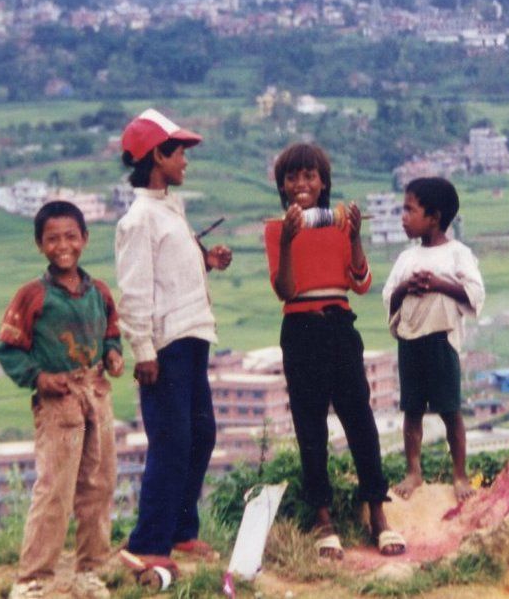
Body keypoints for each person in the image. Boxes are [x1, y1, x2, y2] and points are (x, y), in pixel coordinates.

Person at [263, 142, 405, 559]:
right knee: (310, 427)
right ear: (282, 185)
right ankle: (323, 518)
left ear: (323, 182)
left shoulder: (342, 225)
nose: (301, 184)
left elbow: (360, 283)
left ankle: (377, 512)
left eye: (309, 176)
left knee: (359, 419)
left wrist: (356, 236)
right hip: (300, 328)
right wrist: (288, 242)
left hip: (340, 325)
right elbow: (285, 290)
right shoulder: (276, 230)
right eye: (292, 177)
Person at [114, 109, 233, 583]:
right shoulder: (139, 219)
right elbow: (135, 289)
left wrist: (206, 261)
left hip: (191, 337)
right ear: (157, 157)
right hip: (165, 346)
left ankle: (182, 530)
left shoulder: (168, 211)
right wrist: (143, 350)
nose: (185, 160)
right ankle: (148, 543)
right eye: (179, 152)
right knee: (171, 442)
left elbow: (170, 273)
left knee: (200, 435)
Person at [0, 201, 125, 599]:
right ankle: (33, 578)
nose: (63, 245)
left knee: (99, 482)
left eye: (71, 236)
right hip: (59, 401)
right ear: (40, 245)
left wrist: (113, 355)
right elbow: (9, 349)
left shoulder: (98, 292)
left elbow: (111, 333)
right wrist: (38, 377)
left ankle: (90, 570)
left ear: (85, 238)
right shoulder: (32, 296)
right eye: (52, 239)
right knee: (55, 488)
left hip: (96, 393)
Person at [382, 177, 485, 504]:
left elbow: (475, 293)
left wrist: (439, 284)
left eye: (410, 210)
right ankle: (414, 471)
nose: (403, 217)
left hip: (441, 342)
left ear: (434, 217)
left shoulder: (458, 254)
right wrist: (405, 288)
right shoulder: (406, 259)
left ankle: (460, 474)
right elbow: (389, 296)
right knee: (411, 411)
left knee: (451, 411)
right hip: (410, 342)